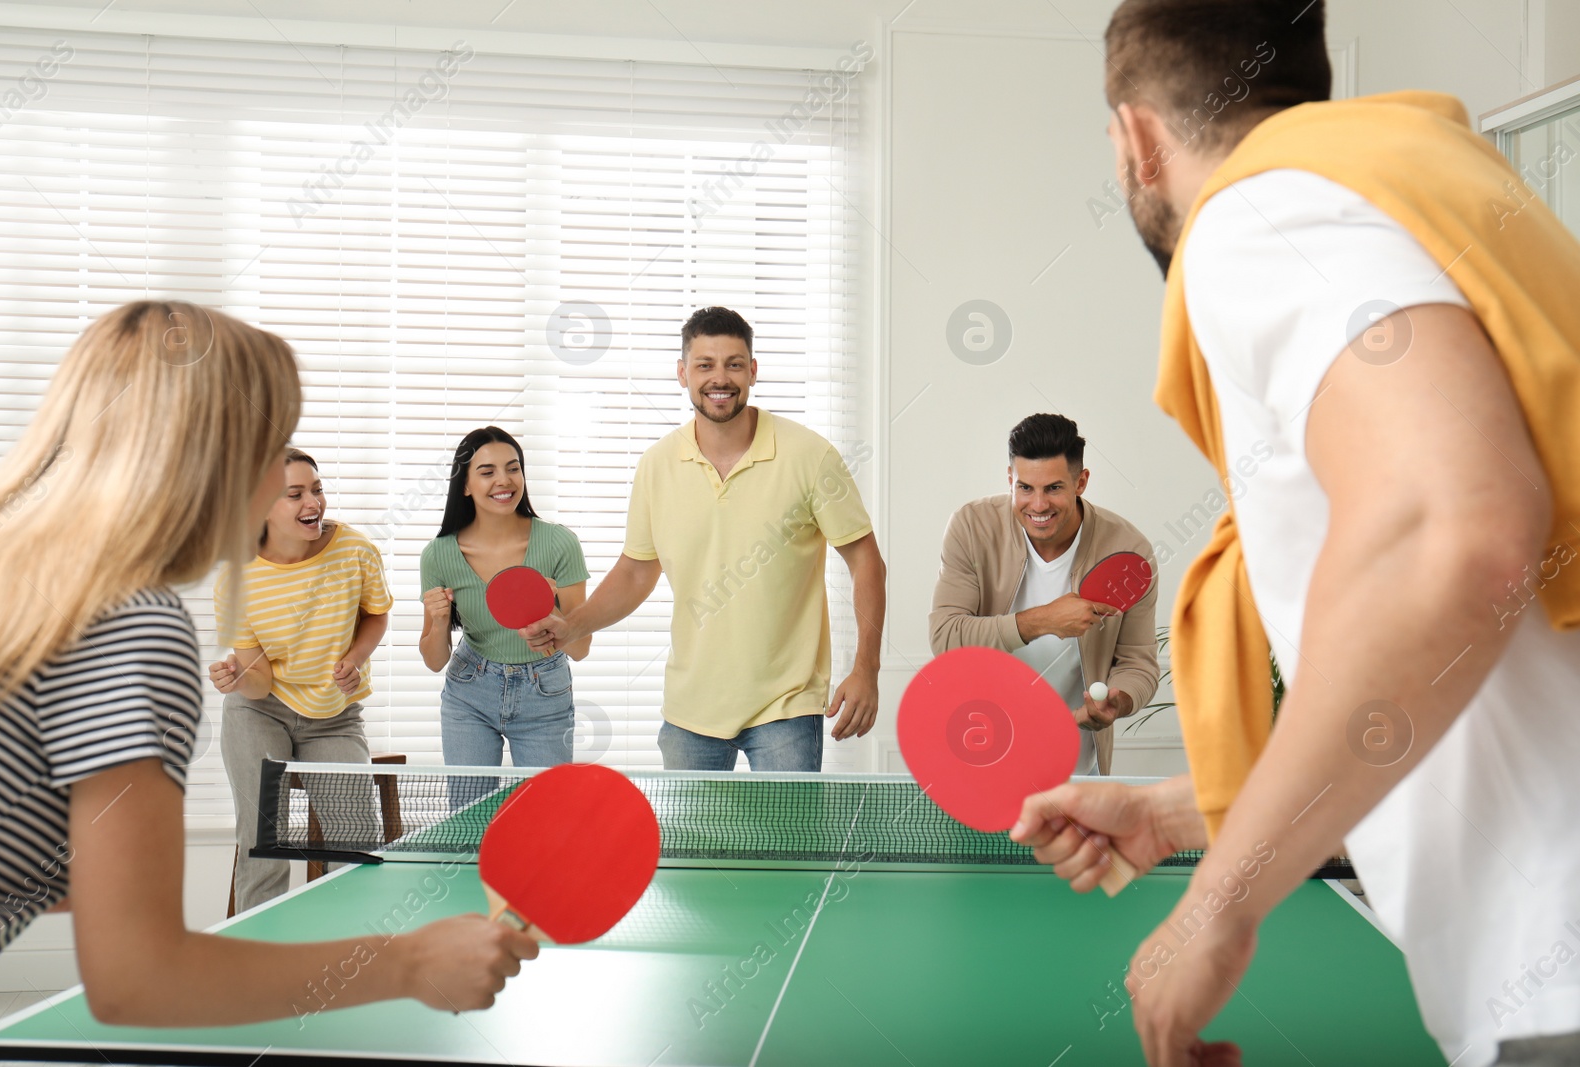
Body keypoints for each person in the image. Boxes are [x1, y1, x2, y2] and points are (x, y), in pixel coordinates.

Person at [1010, 4, 1580, 1066]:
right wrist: (1191, 810)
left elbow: (1456, 533)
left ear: (1136, 138)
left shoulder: (1262, 219)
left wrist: (1215, 906)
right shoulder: (1394, 199)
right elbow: (1466, 677)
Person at [0, 301, 534, 1022]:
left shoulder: (12, 567)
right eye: (272, 447)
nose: (287, 480)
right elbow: (136, 977)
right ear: (211, 456)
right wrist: (411, 960)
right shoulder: (134, 624)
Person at [520, 307, 886, 771]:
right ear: (682, 373)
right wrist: (573, 626)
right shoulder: (657, 464)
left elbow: (866, 561)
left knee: (788, 845)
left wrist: (866, 670)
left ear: (753, 371)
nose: (721, 378)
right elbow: (635, 573)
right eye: (705, 364)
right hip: (690, 712)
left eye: (734, 363)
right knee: (694, 846)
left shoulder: (810, 456)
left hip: (787, 707)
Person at [211, 447, 391, 912]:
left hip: (334, 716)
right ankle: (257, 959)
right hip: (260, 710)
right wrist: (238, 676)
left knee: (355, 845)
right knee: (263, 838)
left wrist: (355, 657)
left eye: (317, 489)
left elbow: (375, 615)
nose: (313, 503)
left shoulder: (355, 550)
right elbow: (260, 683)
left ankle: (348, 954)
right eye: (295, 494)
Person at [930, 413, 1158, 773]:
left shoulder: (1128, 550)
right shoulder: (971, 527)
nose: (1038, 505)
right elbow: (946, 638)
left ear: (1080, 482)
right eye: (1025, 488)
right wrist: (1041, 621)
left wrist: (1120, 700)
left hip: (1075, 764)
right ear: (1010, 479)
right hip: (978, 753)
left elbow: (1137, 661)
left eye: (1053, 488)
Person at [419, 427, 590, 768]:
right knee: (469, 815)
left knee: (546, 812)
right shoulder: (438, 555)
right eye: (487, 472)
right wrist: (439, 620)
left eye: (513, 468)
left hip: (544, 692)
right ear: (465, 485)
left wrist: (551, 609)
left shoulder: (560, 544)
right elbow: (434, 659)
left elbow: (580, 649)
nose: (504, 480)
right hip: (470, 690)